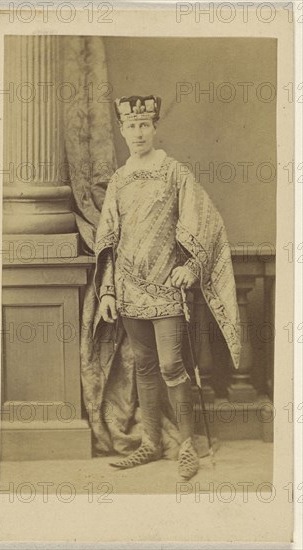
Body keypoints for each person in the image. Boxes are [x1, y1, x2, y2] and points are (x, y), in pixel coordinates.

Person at [94, 95, 240, 480]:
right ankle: (150, 442)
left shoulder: (175, 173)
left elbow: (206, 223)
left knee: (173, 365)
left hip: (166, 289)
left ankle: (188, 447)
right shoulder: (119, 179)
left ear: (155, 128)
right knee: (143, 366)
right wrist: (108, 291)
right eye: (131, 126)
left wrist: (192, 266)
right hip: (127, 289)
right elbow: (108, 237)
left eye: (145, 125)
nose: (138, 132)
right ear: (123, 131)